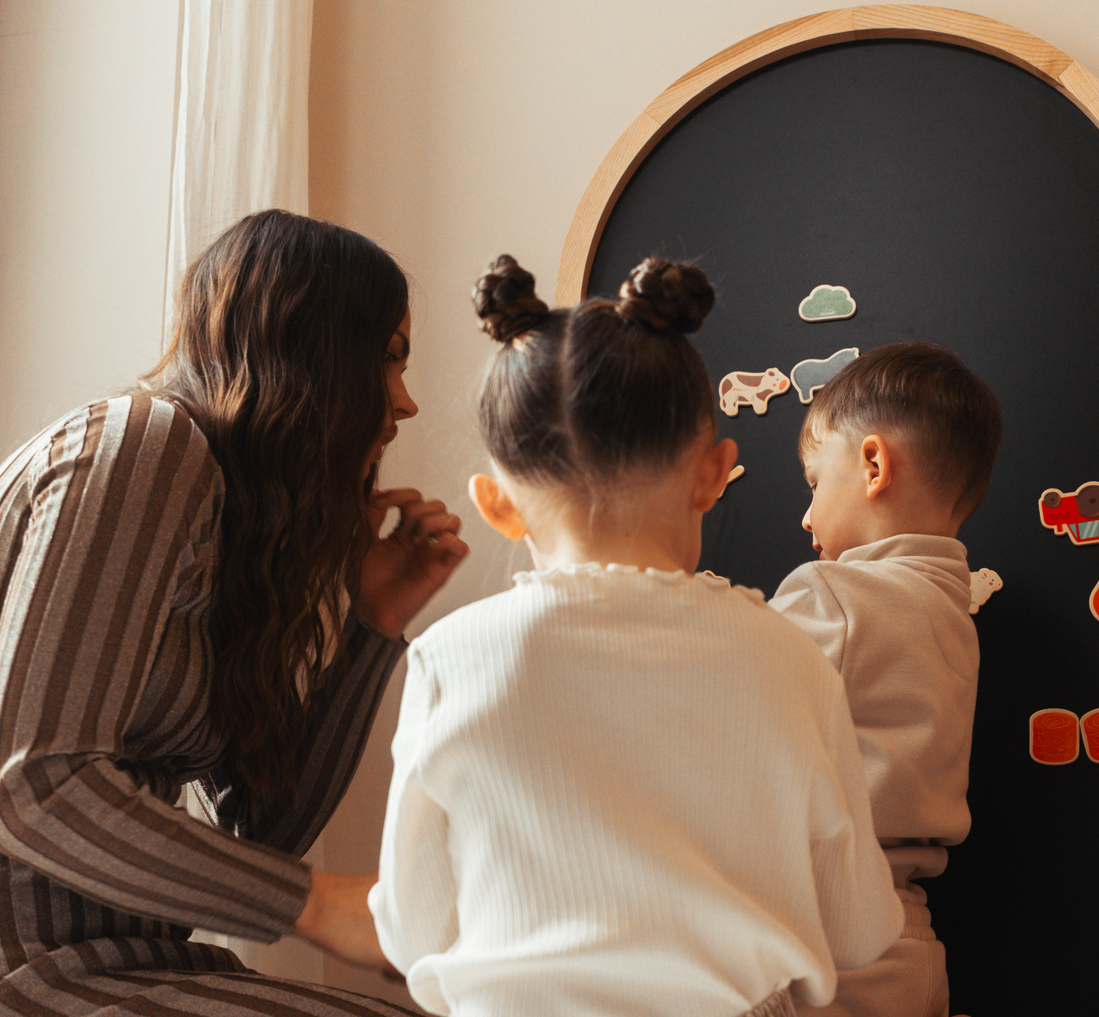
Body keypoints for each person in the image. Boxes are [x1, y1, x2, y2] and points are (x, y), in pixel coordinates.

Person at [368, 255, 903, 1017]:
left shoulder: (447, 661)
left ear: (497, 504)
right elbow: (856, 930)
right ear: (714, 473)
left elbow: (412, 931)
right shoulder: (790, 658)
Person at [0, 210, 469, 1015]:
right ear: (312, 356)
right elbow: (32, 782)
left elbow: (256, 839)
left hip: (124, 959)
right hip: (33, 970)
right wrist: (323, 905)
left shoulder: (223, 521)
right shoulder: (142, 447)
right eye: (387, 361)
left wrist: (368, 626)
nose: (404, 403)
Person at [768, 343, 1003, 1017]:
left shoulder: (835, 597)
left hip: (828, 936)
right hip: (909, 941)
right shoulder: (953, 616)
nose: (807, 517)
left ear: (873, 465)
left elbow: (727, 695)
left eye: (814, 482)